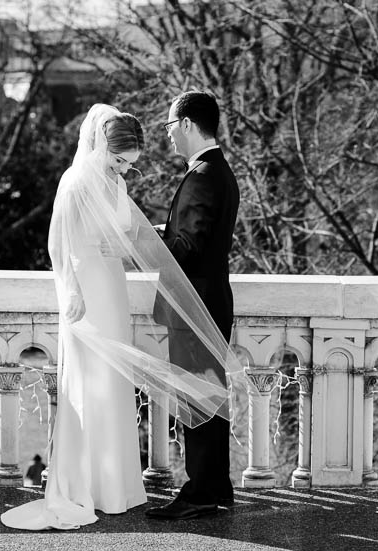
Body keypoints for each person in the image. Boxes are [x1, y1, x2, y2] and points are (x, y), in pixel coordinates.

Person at [0, 103, 242, 531]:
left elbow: (168, 242)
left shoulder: (193, 178)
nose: (125, 171)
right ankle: (179, 485)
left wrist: (131, 253)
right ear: (101, 147)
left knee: (190, 391)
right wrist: (73, 289)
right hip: (94, 293)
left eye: (130, 164)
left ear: (187, 123)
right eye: (121, 162)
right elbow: (60, 246)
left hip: (151, 294)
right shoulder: (77, 184)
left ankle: (180, 488)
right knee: (183, 390)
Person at [145, 91, 240, 521]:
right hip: (209, 299)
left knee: (197, 399)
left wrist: (145, 241)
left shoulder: (202, 175)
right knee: (208, 398)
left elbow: (189, 245)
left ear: (185, 124)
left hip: (195, 305)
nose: (168, 136)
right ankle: (215, 487)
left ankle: (201, 491)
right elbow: (192, 232)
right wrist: (164, 229)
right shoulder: (216, 171)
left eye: (169, 127)